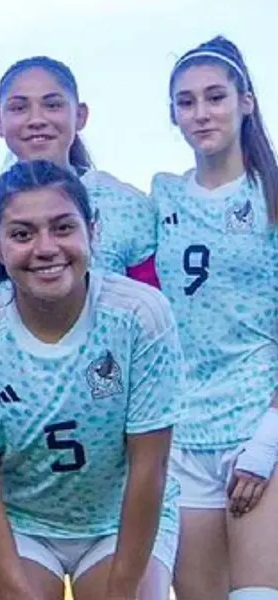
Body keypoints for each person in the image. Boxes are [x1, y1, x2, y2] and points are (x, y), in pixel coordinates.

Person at [0, 160, 181, 600]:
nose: (45, 248)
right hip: (17, 521)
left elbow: (150, 465)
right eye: (22, 234)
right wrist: (14, 591)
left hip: (118, 518)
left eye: (63, 228)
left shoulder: (140, 314)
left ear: (93, 230)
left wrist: (123, 589)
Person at [152, 36, 278, 600]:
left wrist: (267, 442)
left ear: (245, 102)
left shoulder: (271, 196)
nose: (201, 113)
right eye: (186, 102)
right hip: (186, 435)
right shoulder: (162, 198)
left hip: (259, 425)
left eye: (215, 97)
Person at [0, 56, 160, 292]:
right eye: (19, 108)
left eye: (52, 105)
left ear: (80, 116)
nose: (36, 120)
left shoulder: (127, 204)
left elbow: (153, 299)